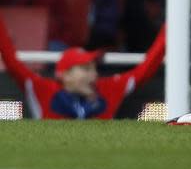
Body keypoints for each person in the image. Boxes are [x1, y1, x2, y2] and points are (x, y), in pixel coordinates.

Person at [0, 14, 165, 119]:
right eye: (86, 69)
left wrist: (169, 28)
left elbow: (146, 68)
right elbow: (11, 60)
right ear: (64, 75)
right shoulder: (41, 89)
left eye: (94, 68)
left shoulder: (109, 88)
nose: (93, 75)